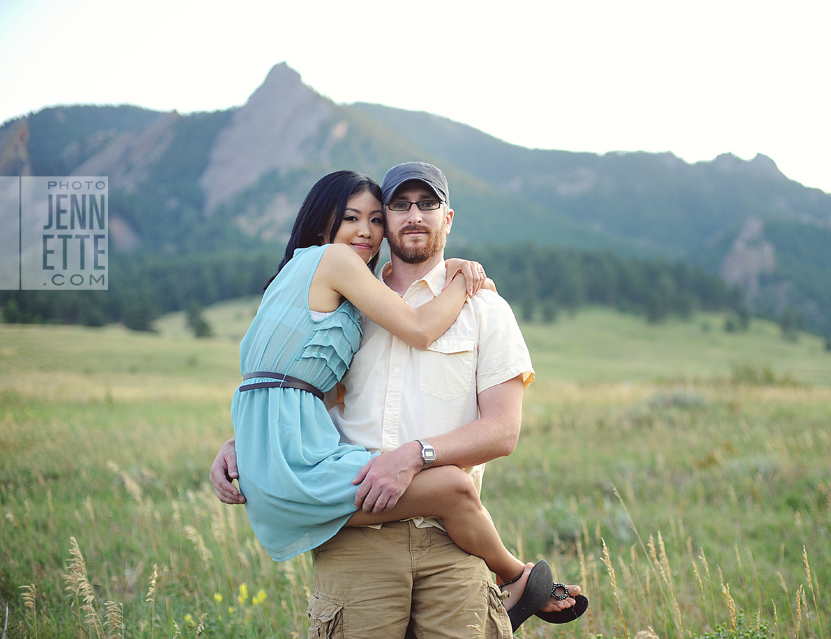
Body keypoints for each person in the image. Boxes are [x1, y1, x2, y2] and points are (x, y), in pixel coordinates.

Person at [212, 163, 587, 638]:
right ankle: (518, 576)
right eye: (399, 206)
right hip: (356, 538)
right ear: (389, 220)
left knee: (453, 488)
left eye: (427, 204)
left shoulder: (486, 308)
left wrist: (414, 455)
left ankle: (515, 578)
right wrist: (242, 442)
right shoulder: (345, 311)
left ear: (447, 218)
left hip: (453, 543)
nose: (413, 215)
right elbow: (306, 393)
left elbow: (503, 432)